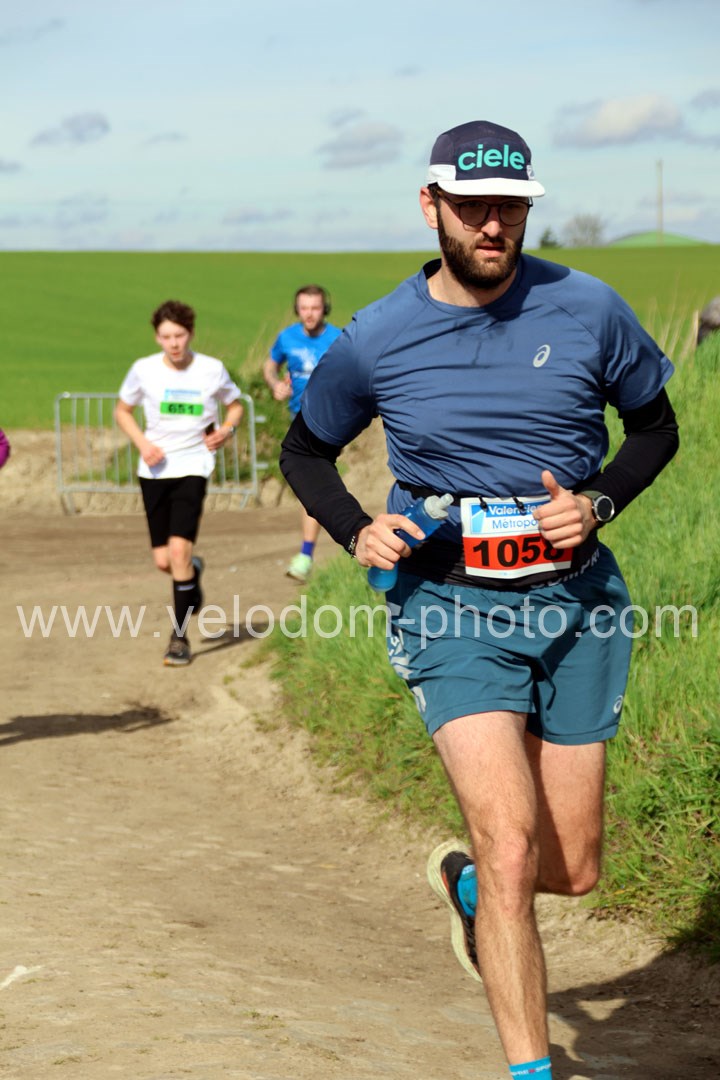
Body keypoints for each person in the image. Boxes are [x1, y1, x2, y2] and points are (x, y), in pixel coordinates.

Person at [279, 120, 679, 1079]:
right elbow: (306, 450)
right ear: (432, 207)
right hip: (447, 605)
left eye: (509, 207)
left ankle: (465, 890)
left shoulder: (589, 308)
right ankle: (530, 1067)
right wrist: (357, 529)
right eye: (471, 207)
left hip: (576, 606)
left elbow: (655, 430)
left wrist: (598, 502)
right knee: (509, 850)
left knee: (569, 870)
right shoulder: (377, 336)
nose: (492, 224)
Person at [115, 299, 243, 666]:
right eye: (167, 336)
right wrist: (142, 444)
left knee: (177, 553)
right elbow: (122, 411)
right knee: (163, 561)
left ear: (191, 334)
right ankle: (193, 575)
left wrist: (225, 431)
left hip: (193, 466)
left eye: (180, 335)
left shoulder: (211, 369)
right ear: (157, 337)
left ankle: (179, 637)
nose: (174, 343)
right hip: (154, 470)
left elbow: (234, 405)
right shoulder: (143, 370)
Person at [263, 284, 341, 583]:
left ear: (325, 309)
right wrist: (275, 385)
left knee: (312, 483)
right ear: (297, 310)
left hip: (329, 422)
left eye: (315, 308)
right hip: (298, 419)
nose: (309, 314)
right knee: (314, 484)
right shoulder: (287, 337)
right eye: (304, 308)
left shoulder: (338, 338)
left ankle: (306, 555)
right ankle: (310, 553)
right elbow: (270, 366)